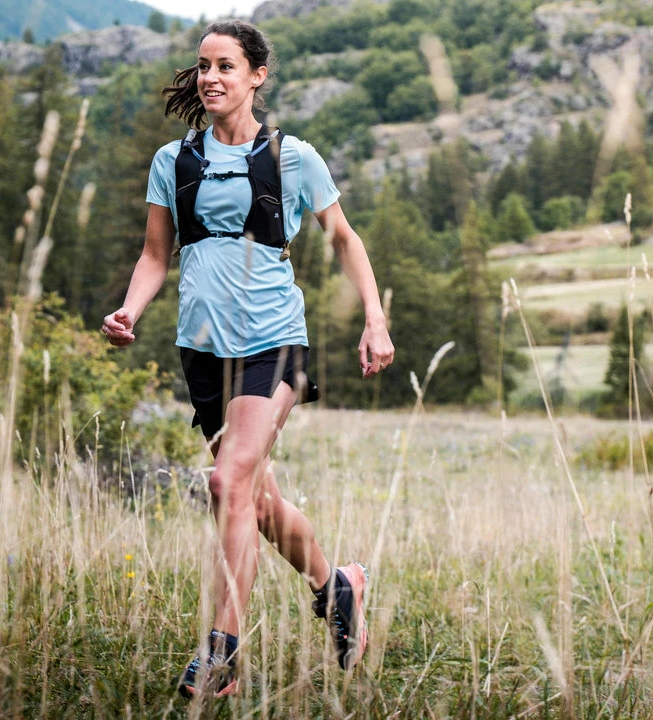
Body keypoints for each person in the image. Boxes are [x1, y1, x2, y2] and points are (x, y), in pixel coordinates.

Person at [101, 19, 395, 698]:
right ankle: (337, 586)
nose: (210, 77)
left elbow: (344, 239)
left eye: (226, 66)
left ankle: (221, 654)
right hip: (203, 352)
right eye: (203, 66)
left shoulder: (294, 157)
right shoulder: (174, 162)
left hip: (273, 343)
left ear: (257, 76)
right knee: (252, 498)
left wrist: (374, 319)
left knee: (228, 483)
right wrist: (130, 310)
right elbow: (155, 255)